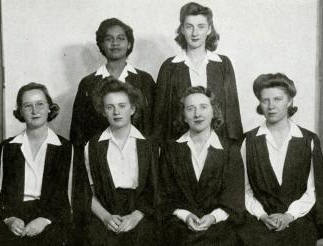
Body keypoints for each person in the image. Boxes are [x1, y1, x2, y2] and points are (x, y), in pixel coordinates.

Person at [0, 83, 90, 246]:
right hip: (14, 217)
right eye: (27, 106)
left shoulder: (67, 150)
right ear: (20, 112)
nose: (34, 110)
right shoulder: (6, 149)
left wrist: (46, 220)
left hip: (52, 219)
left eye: (40, 104)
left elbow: (76, 198)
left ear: (49, 108)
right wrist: (8, 219)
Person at [238, 73, 323, 245]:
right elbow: (244, 189)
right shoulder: (248, 140)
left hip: (297, 218)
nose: (271, 106)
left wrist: (289, 216)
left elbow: (313, 189)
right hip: (259, 219)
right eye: (265, 100)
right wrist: (262, 215)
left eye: (277, 99)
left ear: (289, 101)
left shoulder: (308, 140)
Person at [159, 86, 244, 245]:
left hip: (219, 226)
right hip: (179, 226)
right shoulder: (170, 149)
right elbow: (164, 196)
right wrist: (186, 216)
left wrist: (213, 218)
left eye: (203, 107)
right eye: (190, 109)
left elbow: (234, 199)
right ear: (184, 116)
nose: (197, 114)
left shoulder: (230, 150)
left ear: (214, 112)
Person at [153, 2, 242, 144]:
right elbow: (159, 119)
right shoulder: (169, 67)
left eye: (201, 26)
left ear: (209, 29)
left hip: (218, 146)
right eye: (189, 27)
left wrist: (233, 149)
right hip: (178, 147)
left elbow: (232, 113)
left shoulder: (223, 64)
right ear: (182, 29)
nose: (195, 33)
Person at [84, 77, 157, 245]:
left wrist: (137, 216)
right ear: (103, 111)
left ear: (132, 109)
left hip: (141, 211)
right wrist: (105, 217)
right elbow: (87, 193)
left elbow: (156, 190)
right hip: (106, 210)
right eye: (110, 107)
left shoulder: (149, 145)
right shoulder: (93, 146)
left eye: (122, 106)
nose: (116, 112)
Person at [70, 18, 156, 151]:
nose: (115, 43)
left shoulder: (144, 80)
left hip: (139, 153)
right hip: (99, 155)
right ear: (102, 45)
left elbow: (153, 123)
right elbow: (78, 131)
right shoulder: (88, 83)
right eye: (109, 39)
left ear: (129, 44)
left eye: (121, 38)